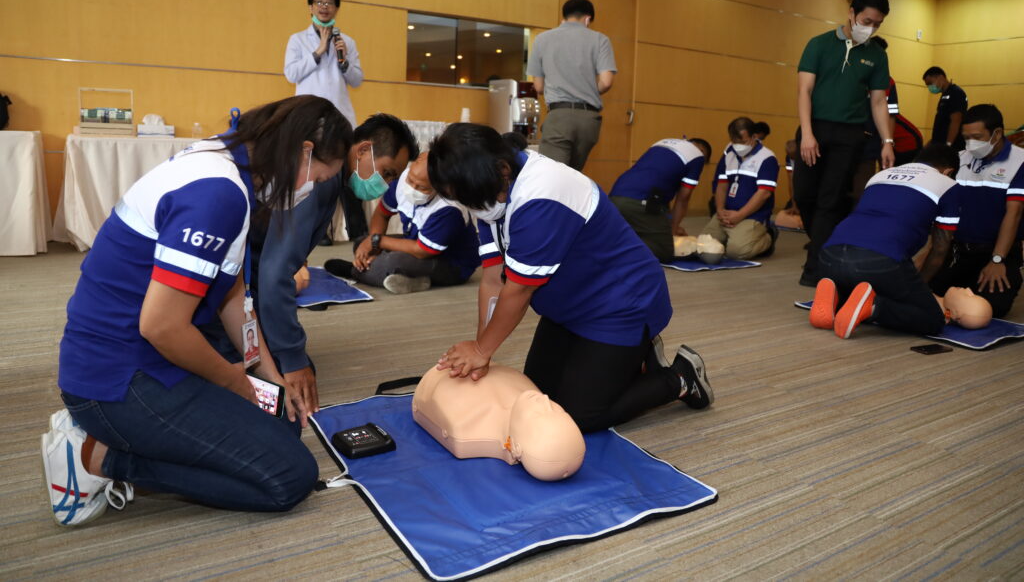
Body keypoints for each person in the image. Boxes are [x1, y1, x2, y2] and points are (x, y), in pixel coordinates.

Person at [43, 95, 351, 526]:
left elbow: (234, 294)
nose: (312, 189)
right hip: (118, 378)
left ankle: (124, 439)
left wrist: (268, 375)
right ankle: (96, 459)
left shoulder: (228, 165)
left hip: (144, 359)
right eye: (318, 178)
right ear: (303, 152)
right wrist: (234, 381)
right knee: (288, 477)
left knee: (282, 418)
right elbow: (162, 326)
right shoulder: (218, 194)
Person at [427, 124, 714, 434]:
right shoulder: (487, 188)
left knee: (578, 417)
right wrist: (482, 350)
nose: (474, 208)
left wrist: (481, 351)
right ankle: (632, 360)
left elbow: (518, 291)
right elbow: (494, 279)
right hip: (567, 308)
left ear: (502, 170)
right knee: (539, 397)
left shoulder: (542, 194)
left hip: (620, 304)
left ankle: (680, 378)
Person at [203, 113, 417, 416]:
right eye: (388, 173)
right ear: (363, 150)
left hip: (239, 281)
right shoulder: (322, 178)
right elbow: (275, 273)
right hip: (225, 287)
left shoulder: (330, 178)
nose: (387, 184)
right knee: (285, 390)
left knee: (285, 371)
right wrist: (292, 359)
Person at [794, 0, 895, 286]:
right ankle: (824, 245)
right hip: (814, 128)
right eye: (867, 21)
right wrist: (807, 134)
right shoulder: (819, 44)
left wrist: (887, 142)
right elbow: (804, 91)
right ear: (851, 13)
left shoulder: (877, 55)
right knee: (804, 195)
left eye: (877, 24)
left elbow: (879, 102)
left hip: (850, 134)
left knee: (831, 199)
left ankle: (815, 268)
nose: (871, 28)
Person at [809, 143, 961, 339]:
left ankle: (837, 297)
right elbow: (940, 250)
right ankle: (873, 307)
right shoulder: (948, 185)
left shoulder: (880, 175)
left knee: (861, 292)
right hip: (879, 260)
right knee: (932, 319)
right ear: (949, 172)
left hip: (829, 257)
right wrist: (920, 288)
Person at [324, 152, 480, 294]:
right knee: (361, 243)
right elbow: (382, 214)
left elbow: (422, 250)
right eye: (411, 180)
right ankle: (416, 280)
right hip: (415, 243)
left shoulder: (449, 209)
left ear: (440, 187)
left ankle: (354, 271)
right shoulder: (402, 181)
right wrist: (374, 245)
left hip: (451, 264)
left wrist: (377, 241)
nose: (412, 188)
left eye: (422, 187)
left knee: (393, 261)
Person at [412, 365, 586, 481]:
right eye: (558, 410)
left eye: (540, 414)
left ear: (516, 448)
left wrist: (480, 350)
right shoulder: (529, 391)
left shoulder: (466, 423)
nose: (545, 401)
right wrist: (480, 350)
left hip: (441, 375)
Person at [930, 104, 1024, 318]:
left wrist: (997, 260)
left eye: (977, 137)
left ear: (997, 133)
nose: (971, 143)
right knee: (924, 290)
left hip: (996, 253)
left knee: (991, 309)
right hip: (957, 251)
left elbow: (1014, 213)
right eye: (966, 137)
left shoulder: (1020, 161)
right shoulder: (960, 158)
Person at [526, 0, 616, 170]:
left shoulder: (542, 39)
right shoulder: (600, 40)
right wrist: (585, 90)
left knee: (551, 174)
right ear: (587, 19)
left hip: (559, 117)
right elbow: (606, 82)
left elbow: (538, 87)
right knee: (573, 175)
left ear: (564, 16)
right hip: (589, 120)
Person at [608, 137, 712, 261]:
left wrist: (666, 228)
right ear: (702, 151)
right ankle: (616, 250)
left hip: (615, 197)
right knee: (664, 250)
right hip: (641, 203)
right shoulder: (697, 156)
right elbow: (683, 198)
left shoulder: (662, 143)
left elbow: (660, 194)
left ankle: (611, 242)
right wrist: (672, 230)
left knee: (639, 230)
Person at [284, 0, 363, 130]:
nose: (324, 7)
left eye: (329, 3)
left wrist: (344, 62)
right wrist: (317, 53)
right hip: (308, 114)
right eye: (319, 2)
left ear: (336, 9)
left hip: (339, 114)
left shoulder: (347, 42)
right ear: (311, 7)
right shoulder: (297, 39)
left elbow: (357, 81)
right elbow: (291, 75)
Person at [701, 117, 779, 259]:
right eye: (734, 142)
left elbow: (764, 193)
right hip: (726, 213)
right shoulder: (729, 153)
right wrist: (720, 210)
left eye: (742, 142)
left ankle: (768, 237)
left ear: (754, 137)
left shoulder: (767, 158)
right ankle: (733, 237)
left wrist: (740, 215)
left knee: (736, 252)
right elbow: (722, 184)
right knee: (702, 246)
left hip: (751, 216)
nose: (738, 146)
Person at [922, 66, 968, 150]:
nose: (930, 87)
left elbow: (956, 121)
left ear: (940, 77)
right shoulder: (945, 94)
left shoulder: (956, 92)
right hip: (939, 145)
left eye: (930, 83)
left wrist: (948, 145)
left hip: (951, 147)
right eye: (927, 85)